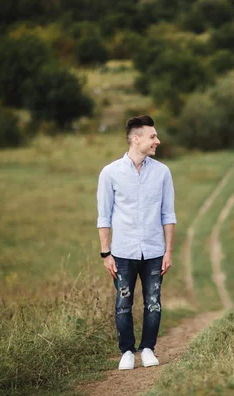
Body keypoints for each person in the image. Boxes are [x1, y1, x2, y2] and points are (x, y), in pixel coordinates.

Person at [97, 115, 176, 370]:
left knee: (153, 302)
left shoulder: (162, 172)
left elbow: (168, 215)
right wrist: (106, 254)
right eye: (152, 136)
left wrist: (168, 251)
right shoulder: (110, 173)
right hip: (122, 252)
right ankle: (127, 352)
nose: (157, 141)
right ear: (136, 138)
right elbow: (104, 216)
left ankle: (148, 349)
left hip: (154, 251)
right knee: (123, 303)